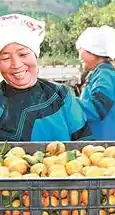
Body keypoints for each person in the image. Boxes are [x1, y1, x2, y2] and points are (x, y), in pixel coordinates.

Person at [0, 14, 93, 142]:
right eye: (5, 58)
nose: (16, 64)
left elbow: (85, 142)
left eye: (23, 54)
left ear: (35, 55)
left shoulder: (61, 95)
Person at [76, 26, 115, 141]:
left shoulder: (105, 74)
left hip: (110, 147)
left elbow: (97, 108)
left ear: (94, 52)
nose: (79, 54)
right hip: (105, 144)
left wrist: (68, 103)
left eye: (82, 49)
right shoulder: (98, 73)